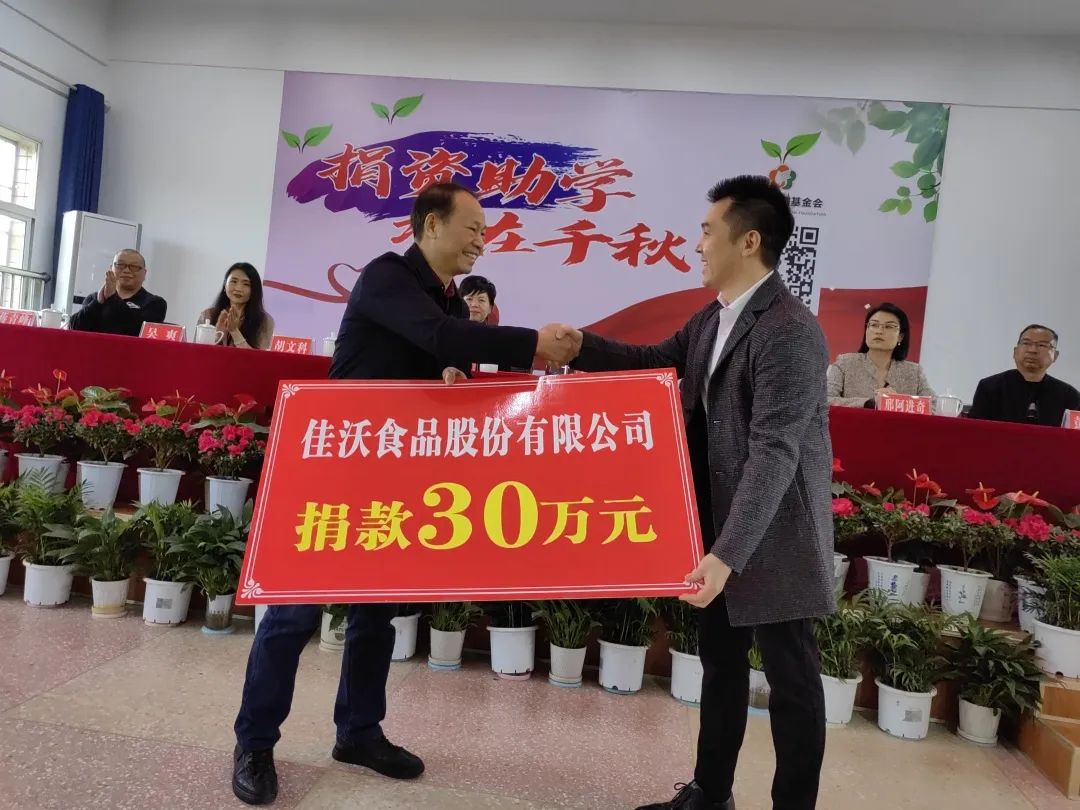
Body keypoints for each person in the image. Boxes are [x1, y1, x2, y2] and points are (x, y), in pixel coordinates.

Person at [231, 182, 577, 807]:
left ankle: (359, 733)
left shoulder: (445, 297)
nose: (481, 240)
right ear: (430, 225)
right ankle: (254, 743)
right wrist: (531, 345)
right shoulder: (386, 276)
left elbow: (434, 352)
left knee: (376, 613)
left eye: (484, 231)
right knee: (293, 615)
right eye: (472, 228)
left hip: (389, 478)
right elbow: (440, 336)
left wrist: (446, 373)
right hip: (333, 469)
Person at [556, 176, 834, 810]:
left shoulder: (790, 329)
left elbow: (776, 450)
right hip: (715, 523)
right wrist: (581, 348)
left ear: (749, 240)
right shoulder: (713, 318)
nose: (699, 243)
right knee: (721, 665)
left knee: (792, 680)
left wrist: (728, 553)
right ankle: (711, 793)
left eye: (708, 231)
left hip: (775, 534)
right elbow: (656, 362)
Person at [969, 324, 1080, 427]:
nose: (1032, 350)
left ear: (1055, 355)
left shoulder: (1070, 395)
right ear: (1015, 351)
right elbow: (974, 431)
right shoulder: (990, 387)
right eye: (1026, 343)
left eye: (1042, 345)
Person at [827, 302, 935, 407]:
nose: (879, 331)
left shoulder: (914, 372)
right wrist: (869, 403)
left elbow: (934, 407)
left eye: (888, 326)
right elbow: (825, 399)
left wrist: (898, 402)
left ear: (900, 336)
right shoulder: (845, 363)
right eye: (874, 325)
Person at [69, 249, 167, 336]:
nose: (127, 270)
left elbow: (138, 330)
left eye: (134, 266)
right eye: (120, 265)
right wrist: (97, 302)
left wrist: (112, 297)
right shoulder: (94, 298)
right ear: (111, 268)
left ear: (144, 273)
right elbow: (75, 328)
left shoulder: (155, 303)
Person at [197, 262, 275, 349]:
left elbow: (260, 357)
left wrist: (235, 332)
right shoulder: (208, 315)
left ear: (254, 290)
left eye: (246, 284)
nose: (238, 288)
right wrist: (218, 336)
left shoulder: (265, 321)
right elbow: (197, 352)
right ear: (224, 286)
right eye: (234, 281)